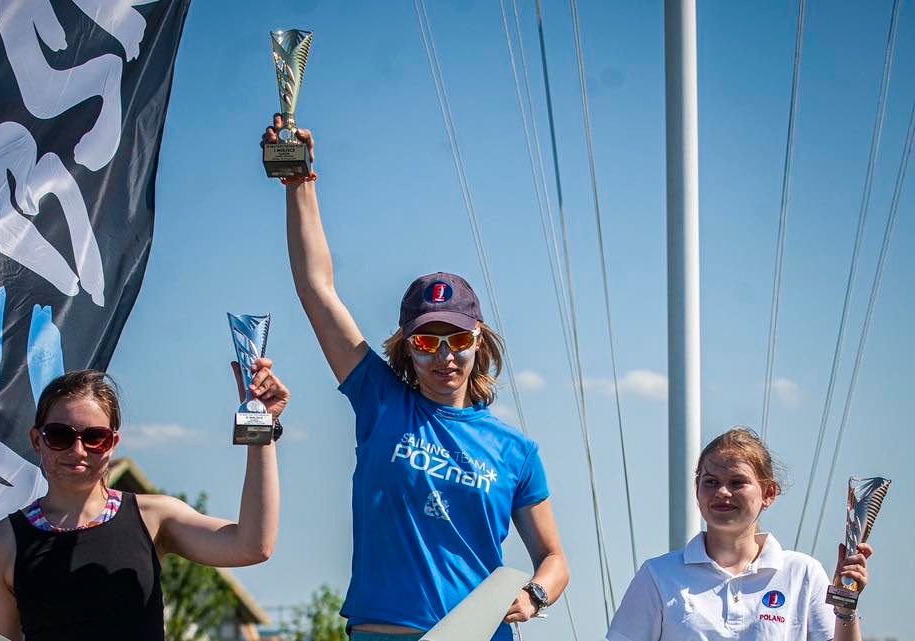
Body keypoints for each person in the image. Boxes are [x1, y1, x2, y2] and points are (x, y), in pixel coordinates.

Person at [274, 125, 569, 641]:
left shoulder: (516, 452)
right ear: (407, 347)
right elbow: (316, 290)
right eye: (427, 341)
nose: (444, 356)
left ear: (479, 342)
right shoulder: (381, 400)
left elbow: (554, 559)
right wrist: (300, 181)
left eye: (457, 340)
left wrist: (533, 595)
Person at [0, 360, 287, 641]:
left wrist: (259, 421)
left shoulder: (154, 517)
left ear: (113, 443)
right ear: (37, 440)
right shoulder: (1, 544)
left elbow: (253, 545)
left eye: (94, 437)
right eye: (60, 436)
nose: (78, 450)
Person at [608, 428, 872, 641]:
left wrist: (845, 606)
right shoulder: (658, 575)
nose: (722, 492)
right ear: (697, 490)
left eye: (737, 482)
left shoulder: (802, 573)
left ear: (769, 493)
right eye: (711, 482)